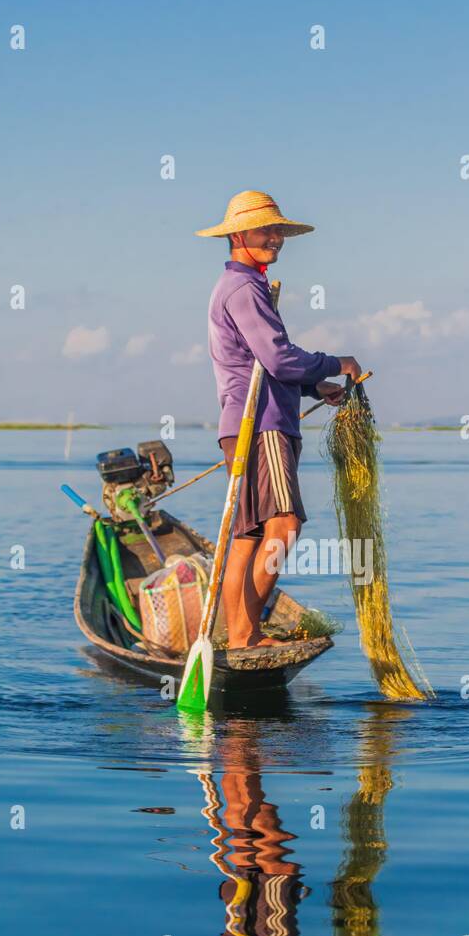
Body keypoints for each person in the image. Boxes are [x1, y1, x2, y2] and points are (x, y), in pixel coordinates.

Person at [197, 190, 363, 649]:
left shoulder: (240, 285)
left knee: (250, 534)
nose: (275, 238)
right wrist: (337, 363)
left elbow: (263, 363)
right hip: (262, 422)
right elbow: (277, 358)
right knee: (284, 525)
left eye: (278, 231)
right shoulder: (245, 287)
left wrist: (314, 388)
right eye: (265, 230)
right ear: (238, 235)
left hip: (249, 419)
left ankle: (241, 637)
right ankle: (246, 636)